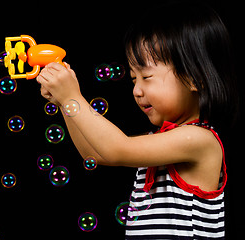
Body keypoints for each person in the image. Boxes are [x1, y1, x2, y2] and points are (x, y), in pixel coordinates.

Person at [36, 1, 238, 239]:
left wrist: (72, 97)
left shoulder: (200, 140)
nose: (136, 90)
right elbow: (95, 153)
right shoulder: (162, 140)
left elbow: (117, 149)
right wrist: (64, 104)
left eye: (147, 76)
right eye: (133, 79)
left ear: (195, 78)